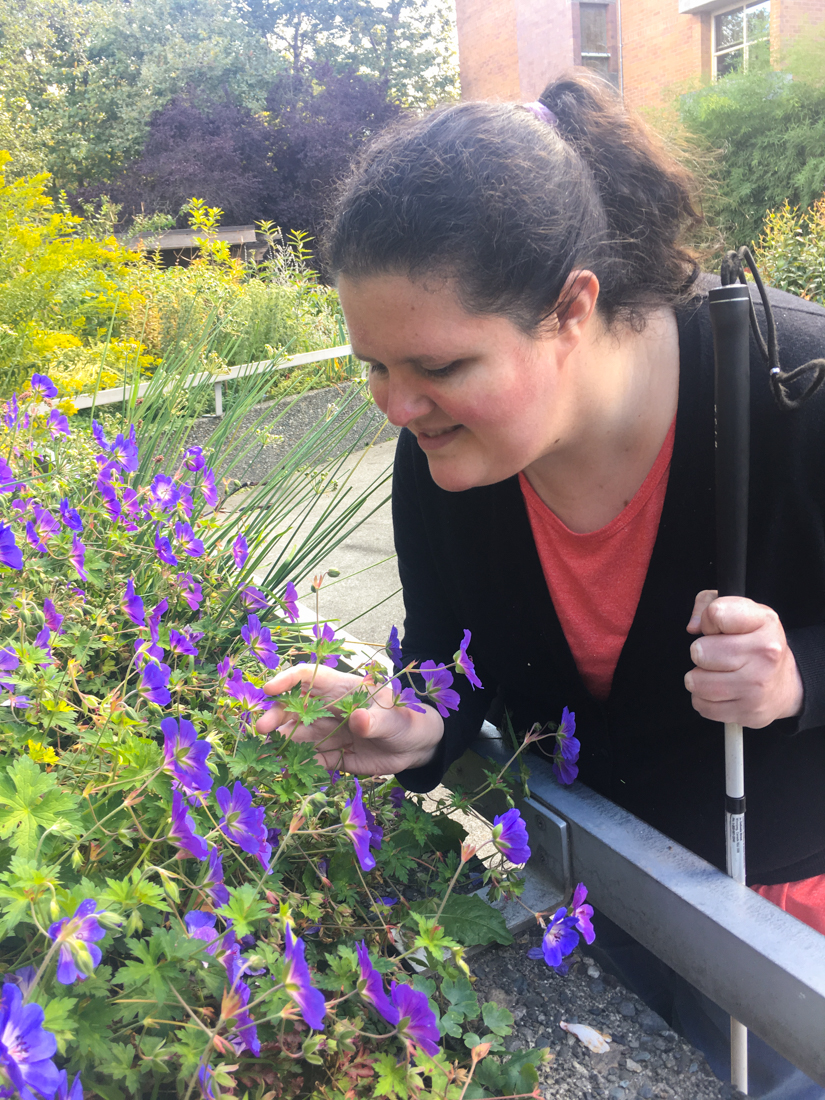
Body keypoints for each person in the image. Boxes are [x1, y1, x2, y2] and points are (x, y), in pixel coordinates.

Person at [256, 75, 825, 1096]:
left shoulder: (798, 393)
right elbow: (448, 646)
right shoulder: (444, 443)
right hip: (612, 902)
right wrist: (415, 720)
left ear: (573, 305)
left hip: (793, 925)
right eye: (373, 366)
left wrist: (800, 675)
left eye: (436, 363)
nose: (396, 405)